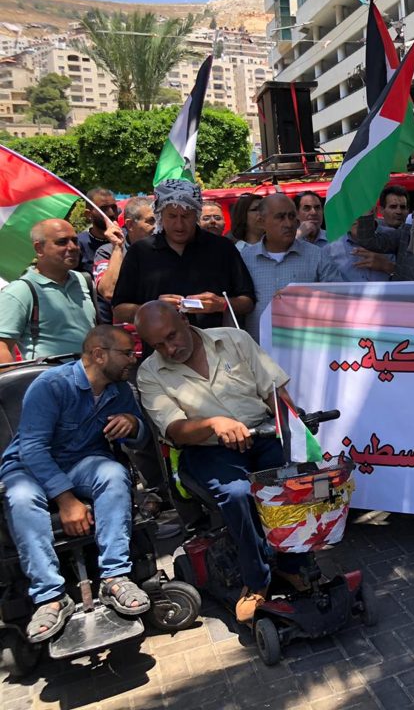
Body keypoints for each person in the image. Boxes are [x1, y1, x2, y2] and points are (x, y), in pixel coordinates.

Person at [133, 302, 305, 622]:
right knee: (238, 493)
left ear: (184, 319)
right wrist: (213, 424)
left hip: (262, 434)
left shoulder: (234, 339)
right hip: (206, 449)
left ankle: (294, 566)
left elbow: (274, 391)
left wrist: (293, 425)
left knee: (291, 480)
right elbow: (175, 429)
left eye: (172, 336)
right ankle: (256, 580)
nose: (170, 349)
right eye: (159, 345)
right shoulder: (150, 372)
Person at [0, 325, 150, 643]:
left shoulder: (119, 390)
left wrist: (133, 424)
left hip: (81, 463)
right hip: (29, 467)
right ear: (98, 354)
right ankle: (50, 597)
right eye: (126, 353)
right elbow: (32, 449)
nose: (133, 359)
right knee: (21, 497)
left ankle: (115, 577)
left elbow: (141, 440)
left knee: (112, 474)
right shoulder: (52, 385)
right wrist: (66, 500)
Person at [111, 180, 255, 330]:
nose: (179, 225)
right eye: (172, 216)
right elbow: (119, 310)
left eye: (186, 216)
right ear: (160, 215)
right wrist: (154, 309)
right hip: (160, 343)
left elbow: (248, 301)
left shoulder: (222, 248)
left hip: (213, 342)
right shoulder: (140, 252)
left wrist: (221, 304)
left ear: (197, 215)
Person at [240, 193, 339, 342]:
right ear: (261, 222)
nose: (288, 224)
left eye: (292, 216)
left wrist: (307, 297)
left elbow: (337, 299)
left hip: (305, 346)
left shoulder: (317, 256)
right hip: (257, 350)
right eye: (280, 217)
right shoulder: (245, 258)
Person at [0, 219, 96, 363]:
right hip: (47, 376)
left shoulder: (82, 280)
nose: (73, 247)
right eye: (62, 242)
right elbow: (2, 347)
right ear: (39, 248)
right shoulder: (20, 291)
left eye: (75, 241)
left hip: (90, 374)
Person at [93, 197, 156, 324]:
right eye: (151, 221)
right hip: (127, 331)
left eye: (159, 220)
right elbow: (109, 292)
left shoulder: (168, 247)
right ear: (130, 224)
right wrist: (117, 248)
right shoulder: (107, 252)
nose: (157, 226)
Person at [327, 213, 399, 283]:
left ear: (374, 210)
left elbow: (405, 277)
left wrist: (387, 266)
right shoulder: (331, 248)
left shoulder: (392, 236)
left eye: (362, 211)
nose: (357, 217)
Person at [76, 188, 119, 274]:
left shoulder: (128, 238)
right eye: (103, 209)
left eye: (114, 207)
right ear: (88, 214)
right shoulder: (78, 244)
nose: (111, 213)